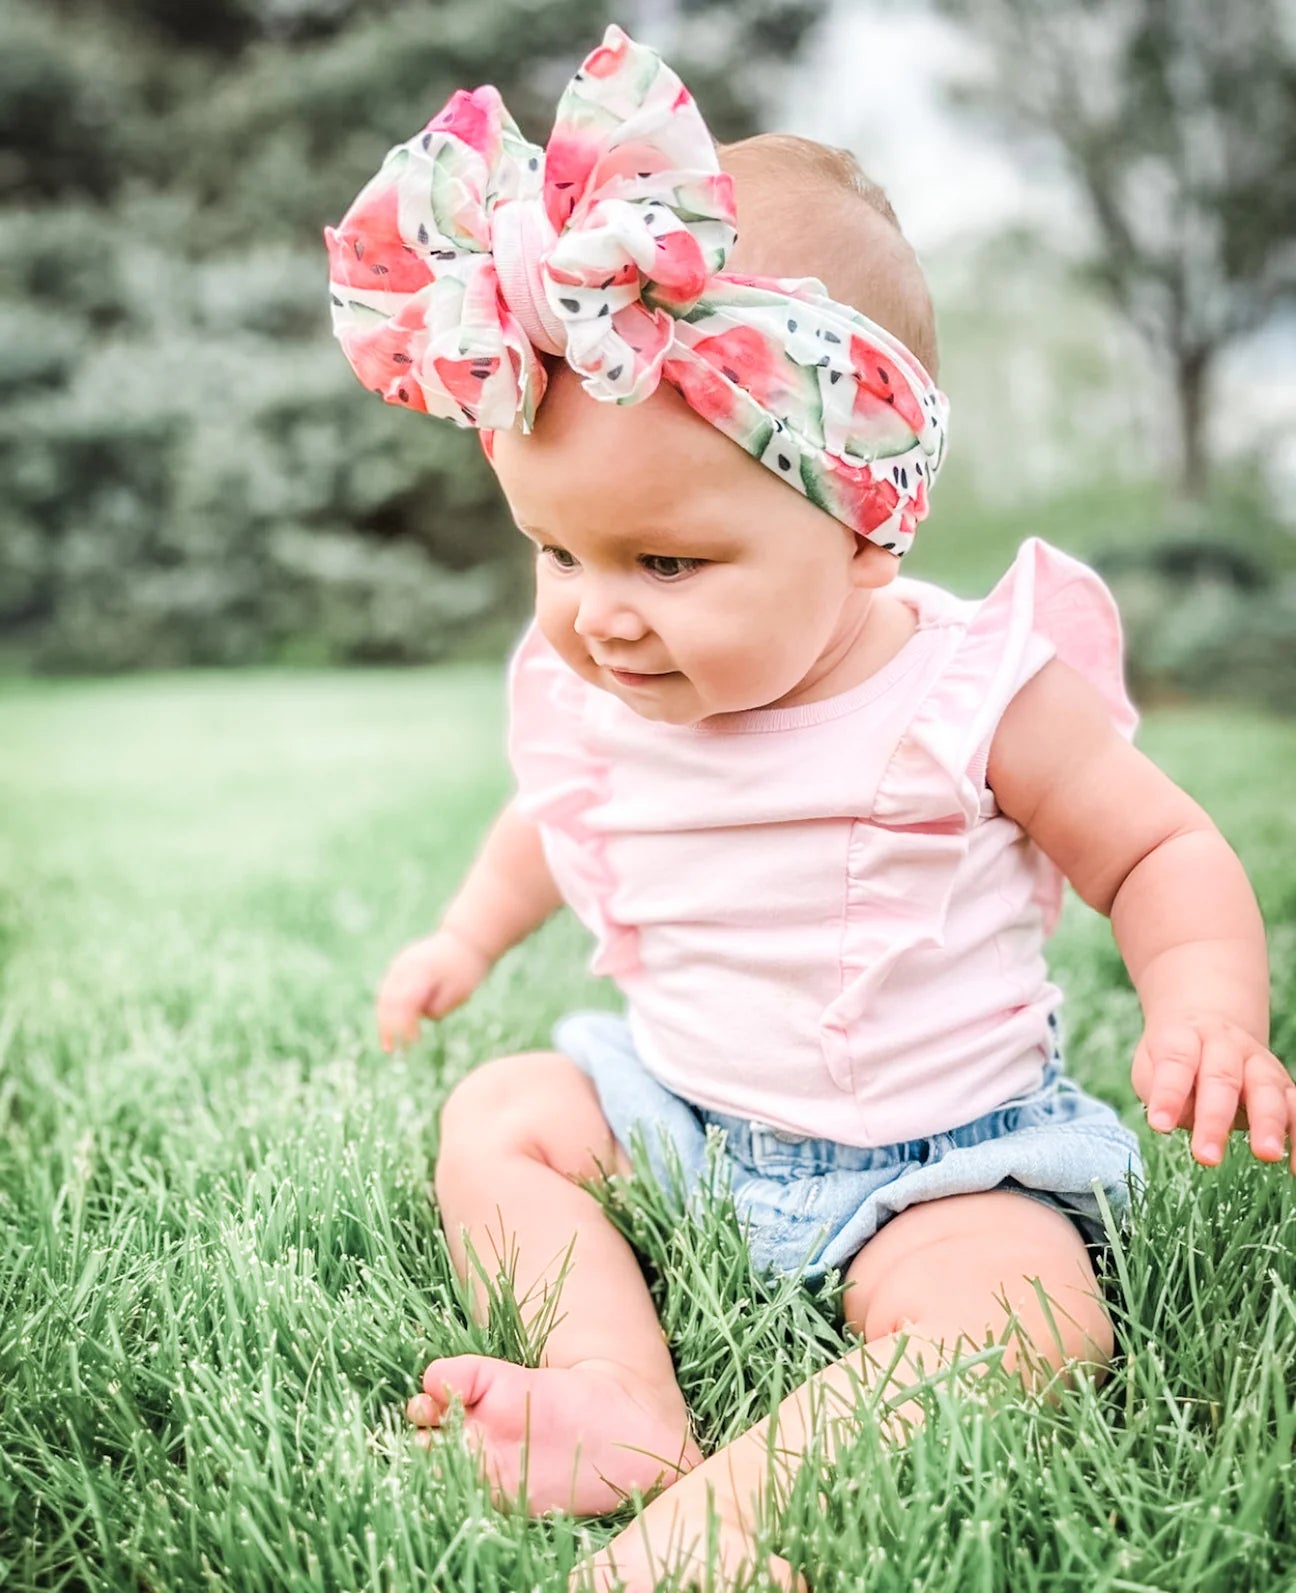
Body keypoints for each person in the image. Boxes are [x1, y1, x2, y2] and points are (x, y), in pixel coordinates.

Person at [325, 25, 1296, 1591]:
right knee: (501, 1113)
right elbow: (560, 821)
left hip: (937, 1153)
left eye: (667, 563)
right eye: (557, 551)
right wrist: (463, 934)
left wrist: (1209, 1004)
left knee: (1026, 1312)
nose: (598, 618)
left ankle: (729, 1519)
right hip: (686, 1108)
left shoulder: (972, 691)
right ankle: (622, 1398)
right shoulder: (608, 687)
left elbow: (1158, 844)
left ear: (866, 531)